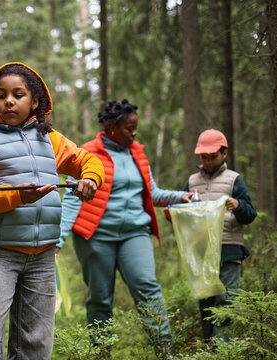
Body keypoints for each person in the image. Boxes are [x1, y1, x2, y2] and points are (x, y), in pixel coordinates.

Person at [0, 62, 105, 359]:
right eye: (1, 95)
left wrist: (90, 179)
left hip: (43, 256)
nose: (8, 101)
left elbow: (90, 161)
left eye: (18, 94)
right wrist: (17, 197)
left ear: (35, 101)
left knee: (35, 341)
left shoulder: (51, 139)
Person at [58, 99, 193, 354]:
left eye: (135, 128)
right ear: (111, 128)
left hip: (135, 233)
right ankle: (102, 353)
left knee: (148, 287)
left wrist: (179, 196)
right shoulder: (85, 154)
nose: (134, 133)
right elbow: (72, 200)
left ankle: (164, 350)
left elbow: (151, 192)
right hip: (95, 237)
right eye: (129, 128)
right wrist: (58, 240)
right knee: (99, 298)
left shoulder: (137, 152)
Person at [183, 129, 256, 341]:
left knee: (226, 299)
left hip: (229, 247)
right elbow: (184, 212)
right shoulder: (192, 181)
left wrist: (239, 205)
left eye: (212, 156)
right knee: (205, 300)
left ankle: (223, 349)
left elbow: (250, 215)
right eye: (203, 157)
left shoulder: (234, 180)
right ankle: (208, 346)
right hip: (202, 250)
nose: (206, 161)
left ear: (224, 154)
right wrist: (172, 214)